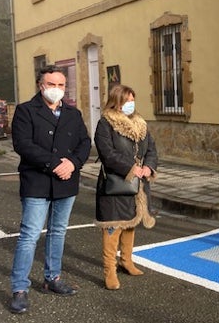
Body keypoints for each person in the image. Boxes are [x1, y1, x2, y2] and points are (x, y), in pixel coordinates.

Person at [9, 66, 91, 314]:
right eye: (52, 84)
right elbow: (23, 144)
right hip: (38, 181)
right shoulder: (25, 111)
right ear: (40, 85)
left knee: (58, 232)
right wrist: (55, 163)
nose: (57, 89)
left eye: (62, 85)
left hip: (67, 181)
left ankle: (52, 278)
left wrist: (73, 163)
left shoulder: (73, 114)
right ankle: (19, 288)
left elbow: (84, 142)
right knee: (30, 235)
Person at [94, 84, 158, 289]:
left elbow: (152, 149)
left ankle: (127, 261)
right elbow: (107, 153)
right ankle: (109, 271)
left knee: (131, 221)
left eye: (133, 100)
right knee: (113, 225)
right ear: (117, 101)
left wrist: (148, 166)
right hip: (116, 183)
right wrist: (131, 168)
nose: (131, 104)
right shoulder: (105, 123)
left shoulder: (140, 123)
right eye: (127, 100)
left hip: (138, 184)